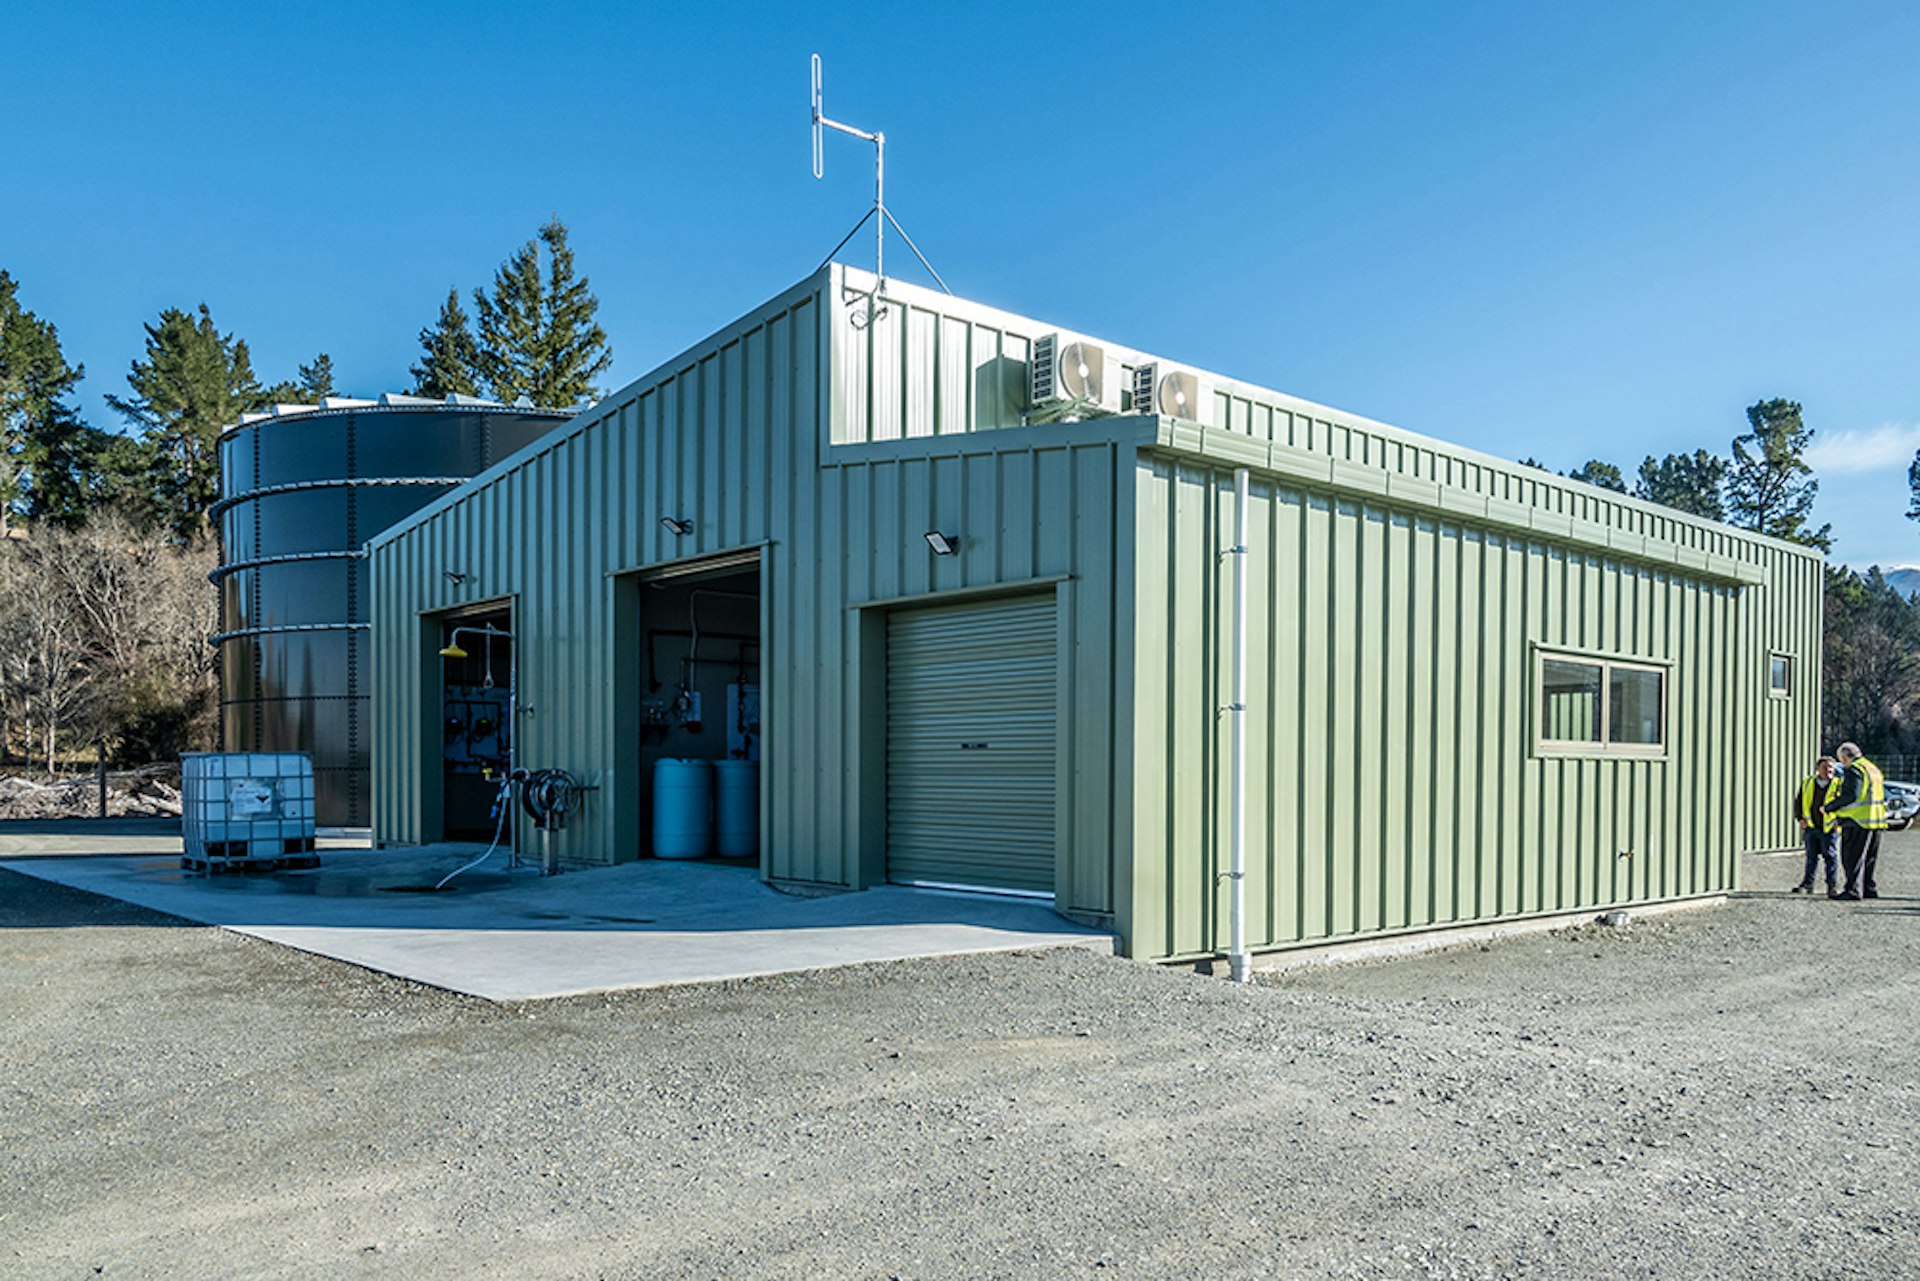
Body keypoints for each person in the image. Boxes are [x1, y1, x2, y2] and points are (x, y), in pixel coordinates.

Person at [1826, 742, 1886, 901]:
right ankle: (1868, 888)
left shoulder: (1855, 769)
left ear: (1845, 757)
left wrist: (1830, 807)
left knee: (1852, 857)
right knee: (1869, 858)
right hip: (1876, 820)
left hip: (1857, 820)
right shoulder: (1872, 768)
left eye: (1842, 760)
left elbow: (1852, 795)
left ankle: (1853, 890)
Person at [1791, 756, 1841, 894]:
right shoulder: (1808, 782)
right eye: (1825, 767)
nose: (1828, 770)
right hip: (1812, 826)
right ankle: (1808, 884)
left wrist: (1839, 822)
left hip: (1830, 827)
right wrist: (1800, 818)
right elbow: (1799, 801)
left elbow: (1843, 806)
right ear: (1818, 769)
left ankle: (1832, 886)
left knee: (1830, 857)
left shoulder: (1838, 784)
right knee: (1811, 856)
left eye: (1831, 767)